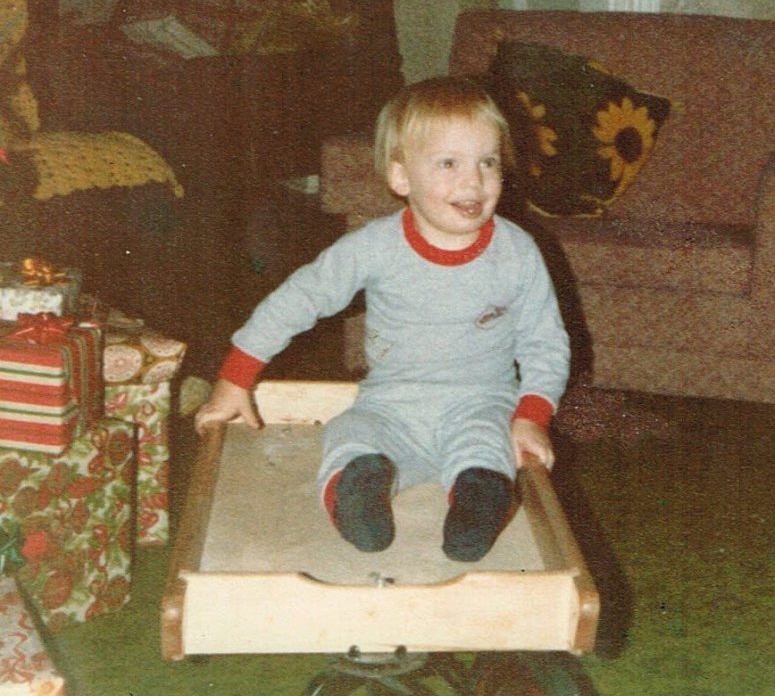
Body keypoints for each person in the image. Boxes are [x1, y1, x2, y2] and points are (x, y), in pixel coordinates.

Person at [194, 76, 570, 561]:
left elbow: (545, 342)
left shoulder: (518, 252)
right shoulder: (373, 246)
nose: (473, 181)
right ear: (401, 177)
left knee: (489, 446)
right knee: (350, 433)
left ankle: (477, 504)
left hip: (483, 401)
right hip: (390, 403)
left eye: (488, 162)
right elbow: (298, 299)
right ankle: (355, 497)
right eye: (449, 163)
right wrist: (235, 377)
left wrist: (532, 418)